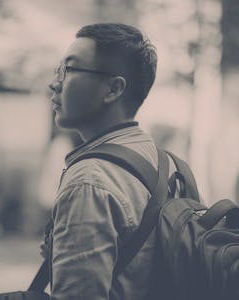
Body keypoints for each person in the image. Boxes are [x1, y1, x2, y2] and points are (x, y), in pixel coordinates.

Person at [44, 23, 165, 299]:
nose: (54, 83)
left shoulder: (90, 182)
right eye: (59, 70)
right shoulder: (164, 163)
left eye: (70, 69)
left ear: (113, 89)